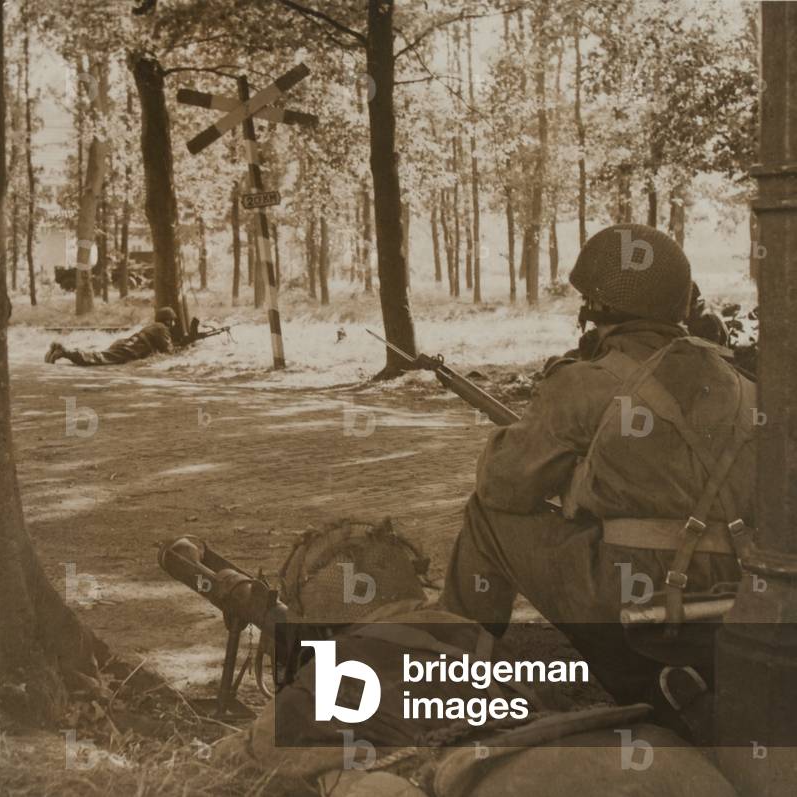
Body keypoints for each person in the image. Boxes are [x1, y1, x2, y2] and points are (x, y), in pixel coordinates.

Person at [438, 224, 756, 710]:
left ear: (595, 308)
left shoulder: (586, 383)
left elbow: (502, 485)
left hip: (633, 597)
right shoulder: (742, 385)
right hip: (735, 590)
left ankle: (450, 677)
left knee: (486, 516)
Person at [216, 518, 737, 797]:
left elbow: (250, 756)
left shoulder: (339, 667)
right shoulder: (489, 637)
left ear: (322, 623)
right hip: (653, 755)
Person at [44, 306, 185, 366]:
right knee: (98, 359)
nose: (173, 323)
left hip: (127, 344)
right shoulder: (162, 329)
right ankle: (64, 351)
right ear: (167, 320)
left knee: (98, 355)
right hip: (130, 348)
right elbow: (169, 352)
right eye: (172, 320)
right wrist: (185, 349)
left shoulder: (155, 326)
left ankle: (61, 350)